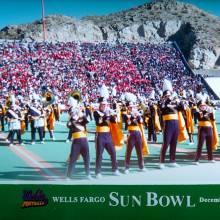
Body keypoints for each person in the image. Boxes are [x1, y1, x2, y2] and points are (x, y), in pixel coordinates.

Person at [159, 80, 184, 169]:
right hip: (168, 123)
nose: (168, 97)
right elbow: (163, 108)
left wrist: (179, 101)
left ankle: (172, 160)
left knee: (174, 142)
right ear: (164, 96)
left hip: (175, 123)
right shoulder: (162, 103)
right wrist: (169, 99)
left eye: (169, 95)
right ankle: (161, 162)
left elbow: (182, 108)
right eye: (167, 96)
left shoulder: (174, 102)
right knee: (166, 143)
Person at [66, 91, 91, 179]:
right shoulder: (70, 122)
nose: (74, 113)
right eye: (72, 112)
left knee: (87, 158)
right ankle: (69, 176)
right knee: (73, 159)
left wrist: (80, 113)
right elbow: (69, 125)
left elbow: (86, 120)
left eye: (75, 111)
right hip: (76, 141)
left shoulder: (81, 117)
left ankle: (88, 174)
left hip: (84, 140)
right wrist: (74, 118)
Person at [93, 97, 120, 178]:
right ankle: (97, 172)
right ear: (100, 105)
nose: (104, 106)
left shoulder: (108, 112)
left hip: (108, 135)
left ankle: (115, 169)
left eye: (105, 104)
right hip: (100, 135)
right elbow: (99, 122)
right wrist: (107, 115)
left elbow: (114, 122)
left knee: (113, 152)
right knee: (99, 154)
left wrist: (114, 115)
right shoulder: (96, 112)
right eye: (103, 105)